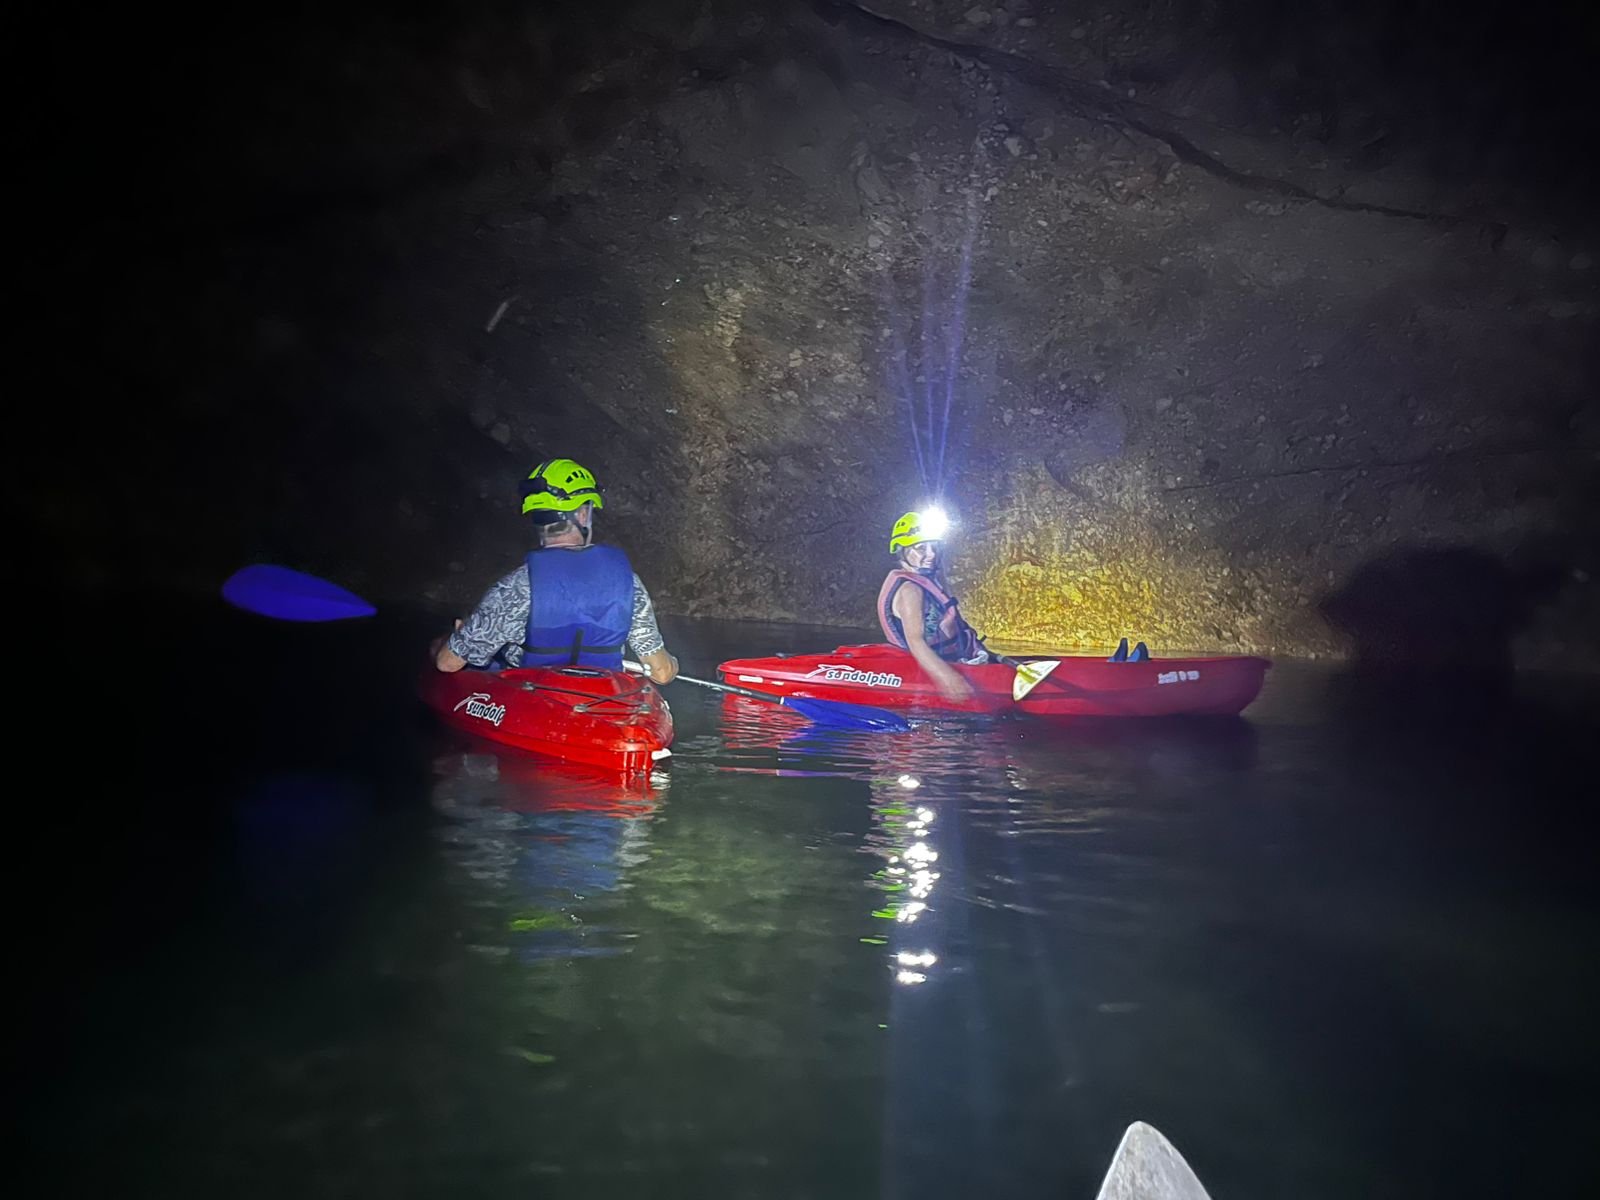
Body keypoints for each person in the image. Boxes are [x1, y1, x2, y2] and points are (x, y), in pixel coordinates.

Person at [434, 457, 679, 683]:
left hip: (535, 693)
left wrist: (461, 634)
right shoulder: (628, 584)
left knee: (445, 649)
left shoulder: (516, 587)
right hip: (601, 699)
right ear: (582, 514)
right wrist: (673, 664)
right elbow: (662, 673)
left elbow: (447, 664)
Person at [877, 508, 989, 701]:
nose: (931, 554)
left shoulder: (927, 581)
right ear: (903, 551)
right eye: (921, 548)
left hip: (960, 657)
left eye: (934, 547)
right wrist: (949, 678)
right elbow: (916, 642)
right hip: (940, 666)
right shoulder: (910, 590)